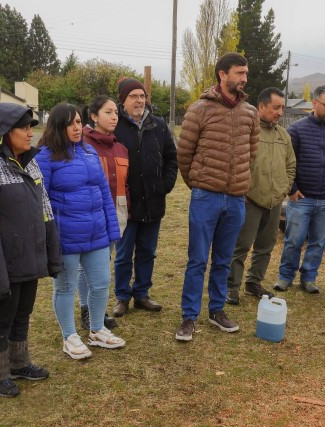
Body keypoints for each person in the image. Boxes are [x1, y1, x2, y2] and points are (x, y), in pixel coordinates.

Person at [0, 103, 61, 398]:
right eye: (24, 128)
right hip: (3, 259)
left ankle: (20, 363)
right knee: (2, 315)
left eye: (31, 127)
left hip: (29, 256)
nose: (31, 133)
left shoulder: (29, 163)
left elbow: (45, 209)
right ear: (4, 132)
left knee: (23, 311)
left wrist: (51, 252)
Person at [175, 52, 259, 341]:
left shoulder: (250, 112)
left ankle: (217, 310)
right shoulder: (199, 109)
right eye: (239, 73)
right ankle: (188, 316)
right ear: (222, 75)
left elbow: (252, 154)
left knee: (223, 259)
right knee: (197, 259)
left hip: (236, 199)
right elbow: (184, 154)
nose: (244, 78)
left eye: (245, 73)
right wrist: (198, 184)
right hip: (205, 197)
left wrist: (239, 185)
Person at [36, 103, 125, 359]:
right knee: (65, 287)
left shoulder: (88, 151)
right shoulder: (45, 156)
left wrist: (111, 230)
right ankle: (70, 336)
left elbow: (104, 194)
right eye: (71, 124)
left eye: (78, 122)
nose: (77, 128)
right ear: (57, 126)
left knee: (100, 283)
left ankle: (97, 330)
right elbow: (41, 201)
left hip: (96, 234)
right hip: (65, 237)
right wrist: (50, 237)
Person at [275, 85, 325, 294]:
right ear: (315, 103)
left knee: (318, 243)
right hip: (301, 198)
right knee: (294, 240)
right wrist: (292, 189)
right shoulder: (297, 129)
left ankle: (309, 278)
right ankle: (285, 276)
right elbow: (286, 161)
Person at [110, 77, 178, 318]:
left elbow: (171, 157)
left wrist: (165, 185)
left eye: (142, 96)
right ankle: (122, 297)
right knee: (124, 253)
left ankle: (141, 294)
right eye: (133, 96)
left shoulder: (158, 125)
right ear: (123, 100)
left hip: (153, 201)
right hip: (125, 204)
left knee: (148, 251)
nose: (139, 100)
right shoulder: (114, 125)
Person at [226, 86, 296, 305]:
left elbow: (291, 166)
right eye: (276, 108)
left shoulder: (283, 135)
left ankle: (254, 282)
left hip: (275, 202)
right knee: (241, 245)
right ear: (262, 106)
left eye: (282, 108)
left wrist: (284, 189)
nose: (280, 113)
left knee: (266, 246)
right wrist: (242, 190)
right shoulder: (247, 132)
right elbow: (235, 163)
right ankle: (231, 287)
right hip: (250, 201)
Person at [79, 95, 129, 330]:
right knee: (85, 266)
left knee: (103, 263)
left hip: (114, 214)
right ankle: (86, 310)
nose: (114, 116)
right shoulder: (82, 144)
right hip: (88, 214)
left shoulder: (120, 148)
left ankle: (97, 308)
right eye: (108, 112)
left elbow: (124, 183)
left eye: (116, 112)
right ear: (93, 116)